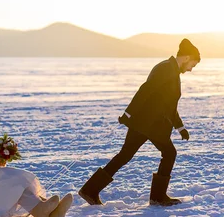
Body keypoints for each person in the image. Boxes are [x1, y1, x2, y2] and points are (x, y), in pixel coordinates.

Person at [78, 38, 201, 207]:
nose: (191, 69)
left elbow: (170, 106)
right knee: (169, 153)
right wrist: (128, 113)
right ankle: (158, 197)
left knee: (125, 155)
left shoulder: (171, 70)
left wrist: (180, 127)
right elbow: (145, 90)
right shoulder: (166, 68)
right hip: (151, 124)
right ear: (187, 58)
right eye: (192, 65)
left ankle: (90, 190)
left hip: (145, 124)